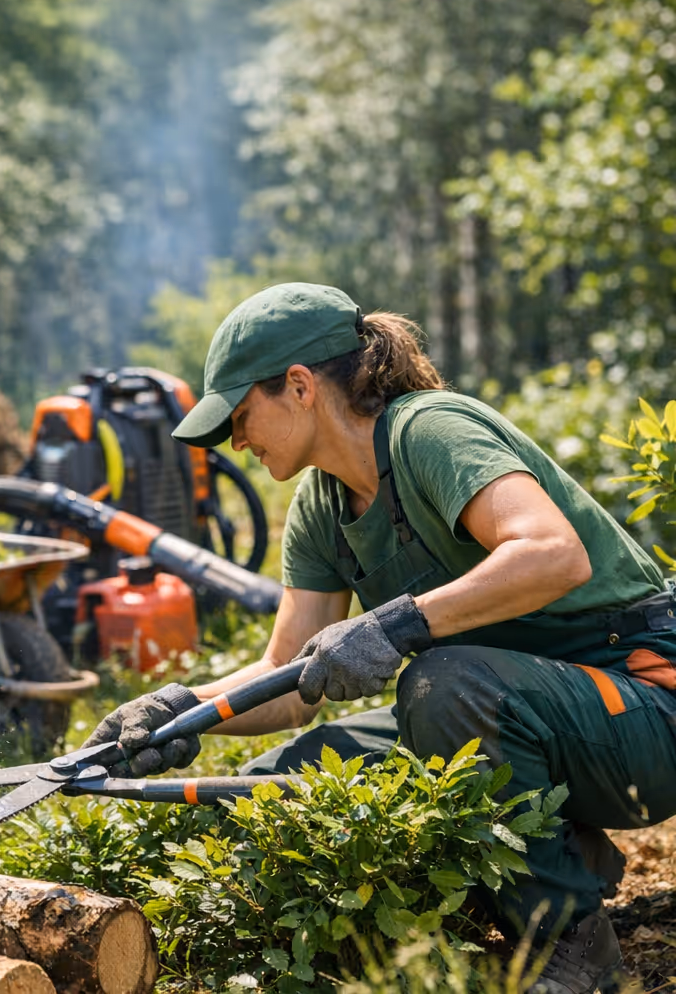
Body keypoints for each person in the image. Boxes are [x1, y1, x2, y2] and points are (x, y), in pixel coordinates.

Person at [84, 283, 676, 993]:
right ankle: (558, 851)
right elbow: (286, 675)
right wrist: (179, 711)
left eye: (241, 417)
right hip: (533, 717)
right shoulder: (322, 506)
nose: (237, 441)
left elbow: (553, 553)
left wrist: (397, 625)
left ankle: (573, 950)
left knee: (444, 682)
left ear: (299, 386)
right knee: (280, 778)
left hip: (643, 704)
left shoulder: (430, 430)